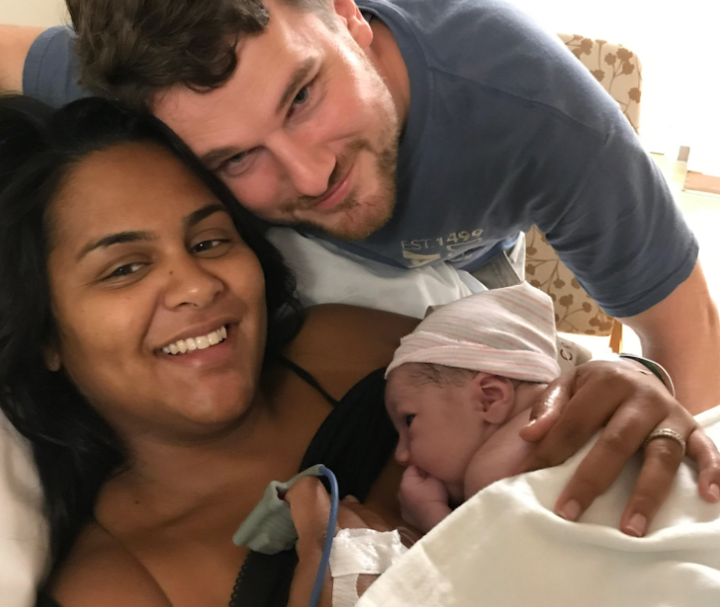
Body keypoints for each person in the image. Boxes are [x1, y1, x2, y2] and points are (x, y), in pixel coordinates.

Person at [0, 0, 717, 415]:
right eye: (234, 158)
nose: (311, 176)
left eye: (303, 95)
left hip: (475, 273)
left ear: (343, 8)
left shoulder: (525, 100)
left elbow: (687, 336)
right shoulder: (137, 89)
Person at [1, 94, 718, 607]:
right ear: (45, 334)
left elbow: (540, 376)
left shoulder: (338, 343)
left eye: (209, 239)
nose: (194, 284)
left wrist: (632, 386)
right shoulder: (121, 583)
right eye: (124, 267)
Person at [384, 283, 677, 534]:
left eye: (408, 421)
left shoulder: (494, 469)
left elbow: (486, 578)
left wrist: (431, 518)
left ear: (490, 398)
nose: (401, 454)